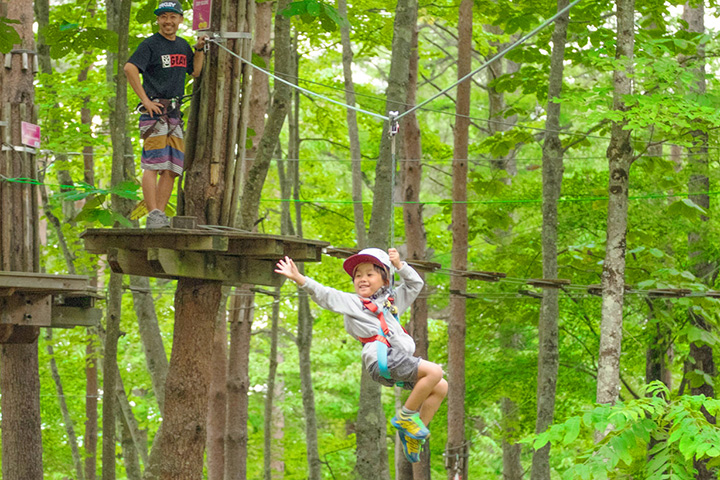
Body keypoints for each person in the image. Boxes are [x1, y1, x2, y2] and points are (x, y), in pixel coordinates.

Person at [275, 248, 448, 463]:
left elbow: (415, 285)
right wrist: (300, 279)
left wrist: (400, 266)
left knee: (441, 386)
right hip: (381, 358)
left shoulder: (391, 303)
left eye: (369, 274)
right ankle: (406, 417)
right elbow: (326, 295)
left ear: (385, 280)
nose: (362, 279)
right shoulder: (354, 303)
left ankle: (414, 434)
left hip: (394, 361)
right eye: (358, 275)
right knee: (435, 370)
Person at [123, 0, 207, 229]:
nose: (168, 21)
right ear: (158, 20)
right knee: (153, 164)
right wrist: (145, 100)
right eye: (163, 17)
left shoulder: (182, 45)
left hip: (174, 114)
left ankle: (159, 215)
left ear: (180, 19)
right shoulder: (150, 45)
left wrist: (198, 48)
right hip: (155, 113)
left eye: (172, 17)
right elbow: (130, 68)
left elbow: (196, 71)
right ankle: (153, 214)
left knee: (172, 167)